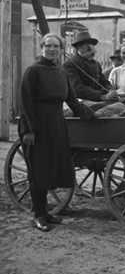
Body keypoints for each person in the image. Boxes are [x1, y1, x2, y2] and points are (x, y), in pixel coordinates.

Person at [19, 33, 95, 232]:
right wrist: (29, 130)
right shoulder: (32, 71)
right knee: (38, 170)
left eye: (56, 46)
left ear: (61, 50)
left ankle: (46, 213)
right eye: (48, 46)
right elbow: (25, 102)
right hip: (37, 124)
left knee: (51, 168)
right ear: (42, 48)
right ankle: (38, 215)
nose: (52, 49)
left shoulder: (60, 72)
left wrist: (89, 115)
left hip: (56, 125)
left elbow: (71, 99)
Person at [63, 30, 116, 102]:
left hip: (99, 99)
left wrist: (110, 89)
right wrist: (101, 96)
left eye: (91, 45)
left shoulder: (96, 64)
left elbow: (103, 81)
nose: (91, 49)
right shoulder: (70, 64)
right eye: (87, 47)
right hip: (81, 101)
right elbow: (77, 88)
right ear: (79, 47)